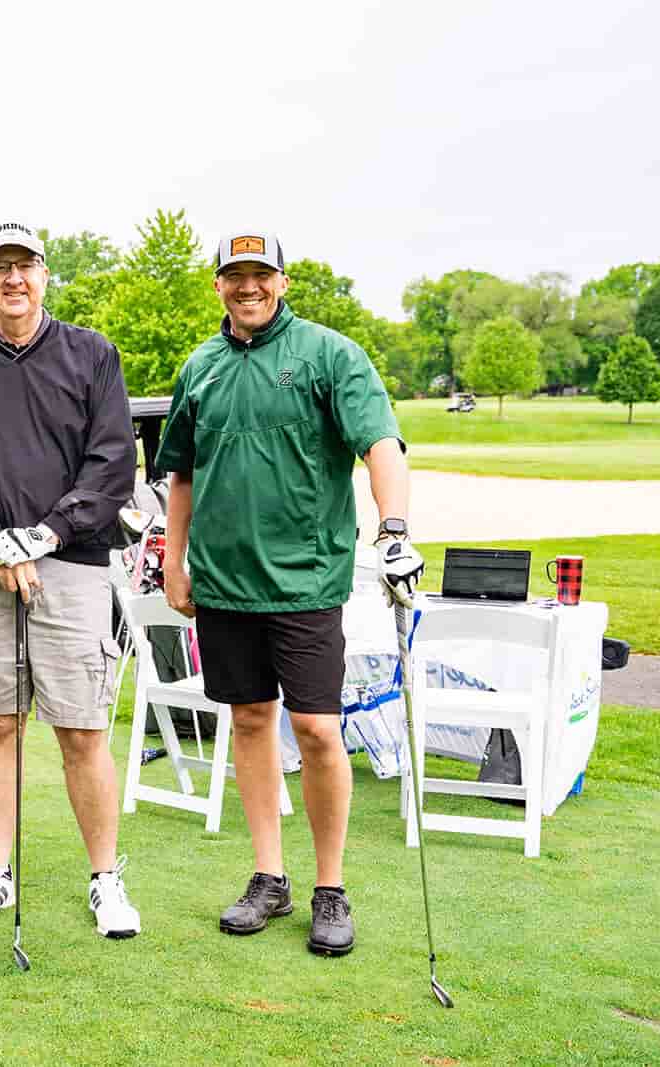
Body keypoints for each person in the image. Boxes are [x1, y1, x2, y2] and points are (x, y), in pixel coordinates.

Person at [154, 231, 423, 957]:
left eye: (260, 274)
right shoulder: (200, 367)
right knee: (247, 721)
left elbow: (381, 445)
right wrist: (173, 562)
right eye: (235, 275)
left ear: (283, 280)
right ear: (218, 285)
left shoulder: (331, 355)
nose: (248, 287)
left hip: (305, 581)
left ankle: (329, 887)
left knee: (316, 730)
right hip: (223, 584)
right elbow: (179, 472)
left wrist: (393, 527)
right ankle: (269, 876)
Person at [0, 221, 143, 939]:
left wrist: (45, 533)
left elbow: (111, 464)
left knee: (81, 729)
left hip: (70, 564)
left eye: (26, 265)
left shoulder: (92, 354)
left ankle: (106, 878)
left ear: (45, 274)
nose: (14, 279)